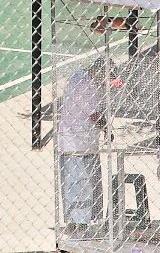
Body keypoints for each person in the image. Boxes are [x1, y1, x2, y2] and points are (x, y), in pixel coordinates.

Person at [57, 60, 109, 239]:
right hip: (74, 142)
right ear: (99, 71)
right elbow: (94, 113)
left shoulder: (87, 80)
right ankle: (76, 225)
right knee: (77, 183)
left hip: (86, 141)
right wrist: (107, 128)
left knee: (86, 183)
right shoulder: (83, 82)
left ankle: (84, 222)